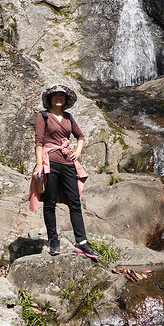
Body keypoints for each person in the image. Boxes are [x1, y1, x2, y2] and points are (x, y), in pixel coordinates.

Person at [29, 84, 99, 260]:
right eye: (55, 96)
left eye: (62, 96)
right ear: (50, 99)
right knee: (50, 202)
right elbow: (39, 141)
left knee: (74, 202)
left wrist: (78, 152)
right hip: (50, 162)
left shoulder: (69, 118)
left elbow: (80, 136)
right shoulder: (43, 116)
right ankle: (53, 240)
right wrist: (39, 164)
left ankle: (82, 242)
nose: (59, 98)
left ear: (66, 100)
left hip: (68, 163)